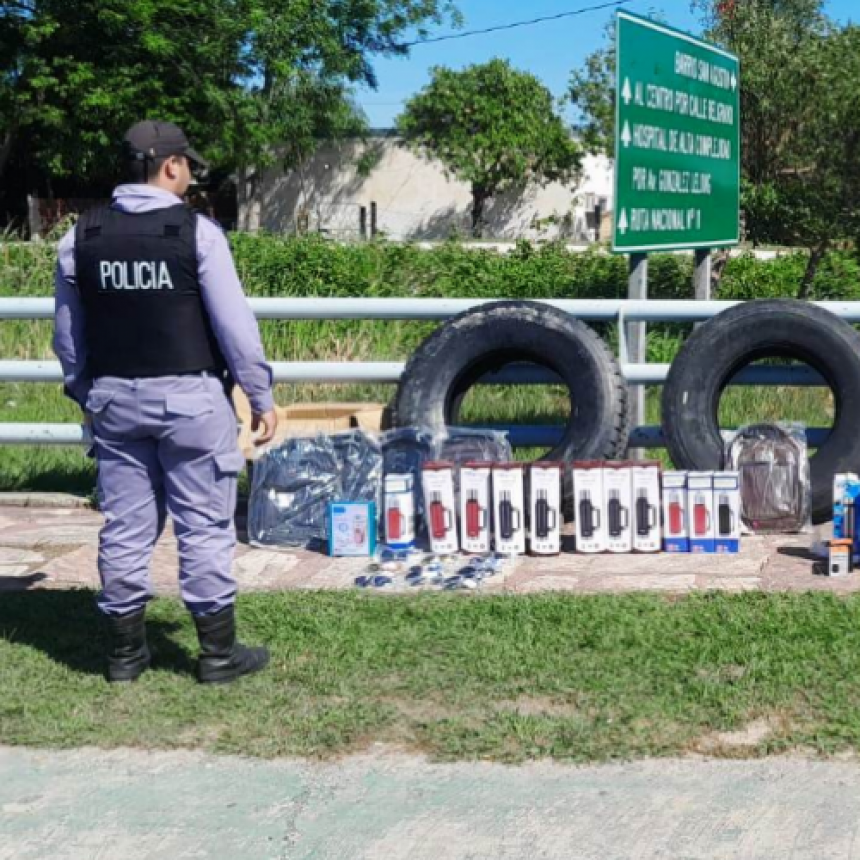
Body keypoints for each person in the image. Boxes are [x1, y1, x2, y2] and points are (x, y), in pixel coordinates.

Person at [53, 120, 279, 684]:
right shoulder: (196, 234)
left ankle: (125, 656)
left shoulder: (79, 236)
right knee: (203, 525)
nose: (191, 177)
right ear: (171, 165)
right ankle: (218, 657)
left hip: (114, 402)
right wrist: (259, 395)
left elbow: (68, 337)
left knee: (126, 527)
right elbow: (236, 329)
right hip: (191, 401)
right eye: (189, 167)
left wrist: (89, 394)